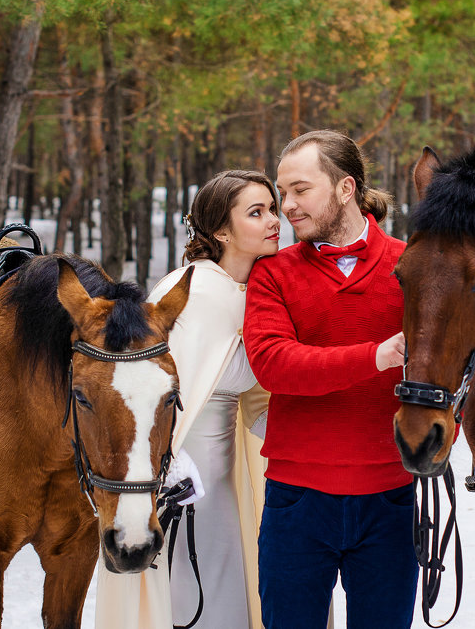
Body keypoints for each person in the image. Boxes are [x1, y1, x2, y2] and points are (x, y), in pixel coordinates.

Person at [243, 130, 415, 629]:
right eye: (283, 192)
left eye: (301, 190)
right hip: (296, 502)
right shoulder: (272, 273)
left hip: (391, 498)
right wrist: (376, 356)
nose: (286, 207)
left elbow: (450, 367)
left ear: (345, 188)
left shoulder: (412, 266)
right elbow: (274, 363)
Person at [95, 170, 279, 629]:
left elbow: (261, 391)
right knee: (196, 589)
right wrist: (166, 466)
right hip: (184, 472)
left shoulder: (258, 289)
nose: (274, 220)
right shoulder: (189, 292)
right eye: (256, 213)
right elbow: (143, 392)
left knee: (239, 579)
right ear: (220, 230)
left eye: (273, 209)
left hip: (230, 468)